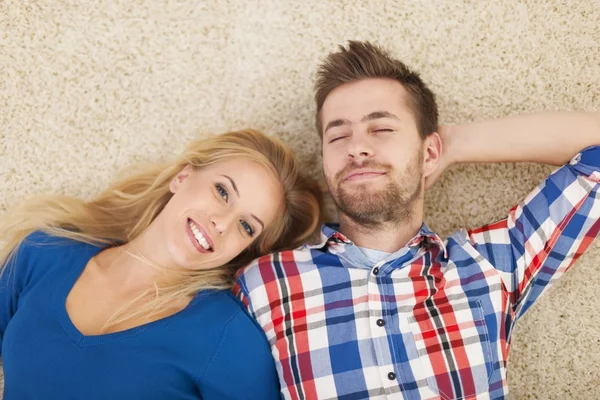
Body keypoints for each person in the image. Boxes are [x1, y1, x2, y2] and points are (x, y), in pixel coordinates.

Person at [234, 41, 600, 399]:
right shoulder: (263, 284)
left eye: (382, 129)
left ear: (429, 153)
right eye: (339, 135)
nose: (356, 147)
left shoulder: (491, 265)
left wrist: (455, 143)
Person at [0, 129, 322, 399]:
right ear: (182, 177)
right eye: (222, 192)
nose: (222, 223)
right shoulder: (45, 249)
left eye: (246, 226)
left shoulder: (229, 341)